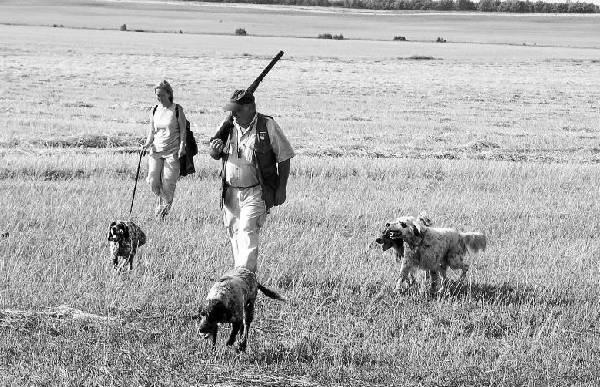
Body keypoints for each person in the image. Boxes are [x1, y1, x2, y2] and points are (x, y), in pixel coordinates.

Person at [209, 90, 294, 273]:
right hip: (230, 192)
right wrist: (215, 150)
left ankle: (241, 278)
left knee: (247, 231)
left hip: (256, 191)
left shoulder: (267, 125)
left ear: (250, 108)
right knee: (235, 234)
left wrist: (281, 188)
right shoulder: (228, 126)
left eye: (237, 110)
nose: (233, 114)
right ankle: (245, 281)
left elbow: (284, 157)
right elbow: (214, 153)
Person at [142, 80, 186, 220]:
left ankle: (161, 214)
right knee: (153, 181)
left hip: (172, 152)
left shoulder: (177, 110)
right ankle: (162, 203)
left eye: (161, 95)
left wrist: (182, 147)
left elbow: (183, 132)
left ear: (169, 94)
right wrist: (146, 144)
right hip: (155, 151)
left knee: (168, 184)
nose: (158, 98)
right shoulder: (154, 110)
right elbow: (151, 132)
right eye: (157, 95)